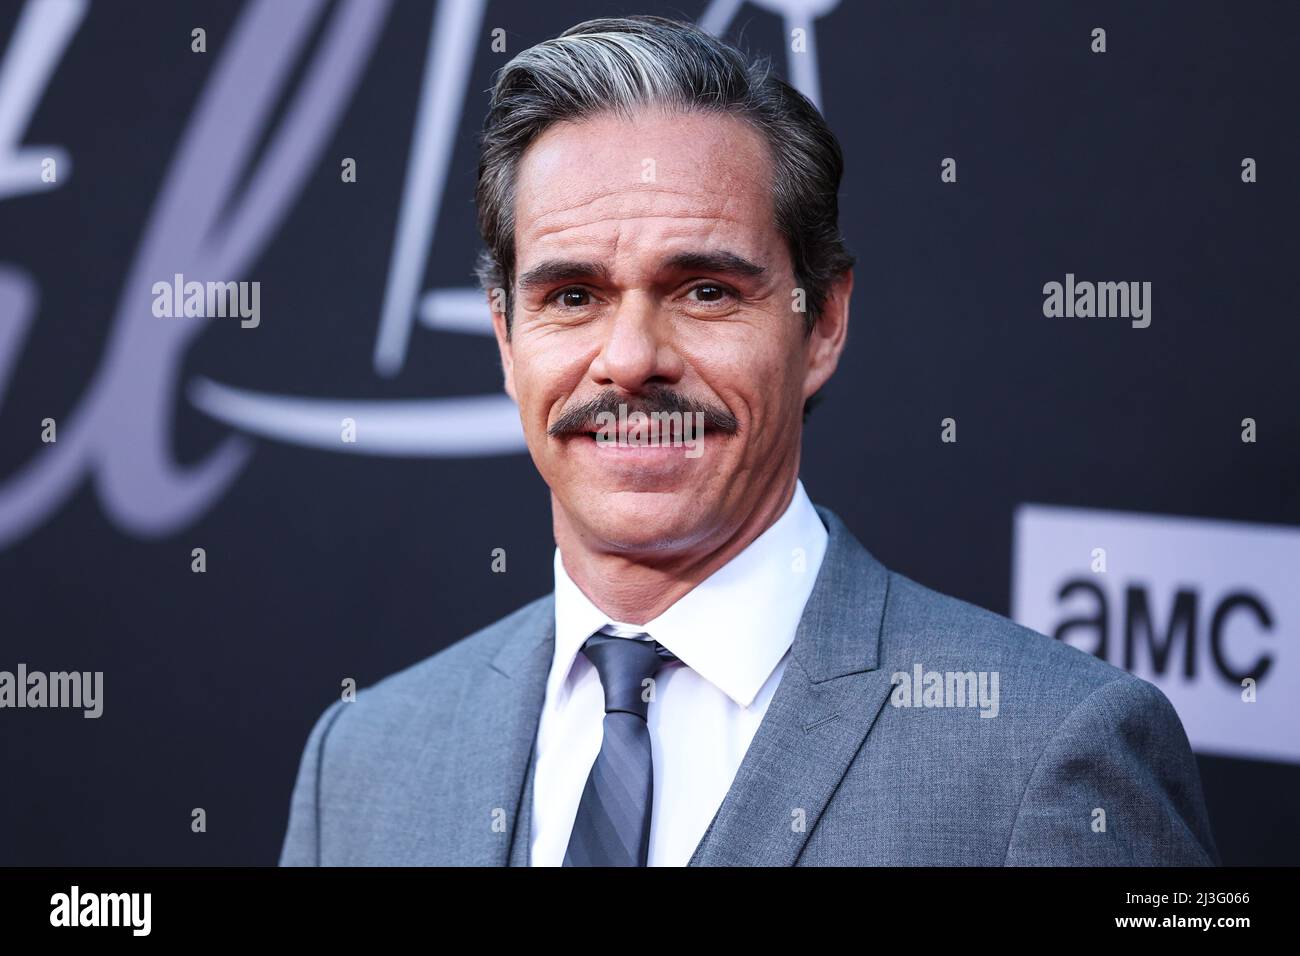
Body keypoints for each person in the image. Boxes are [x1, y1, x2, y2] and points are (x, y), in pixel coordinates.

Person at [279, 15, 1217, 866]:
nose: (631, 359)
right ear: (504, 336)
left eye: (706, 291)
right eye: (572, 297)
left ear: (825, 324)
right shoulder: (363, 760)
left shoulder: (1052, 750)